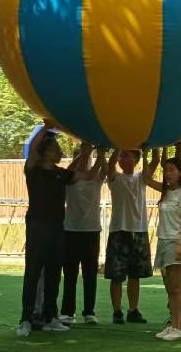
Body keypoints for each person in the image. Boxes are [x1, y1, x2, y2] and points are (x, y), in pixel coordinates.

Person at [17, 122, 89, 337]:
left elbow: (82, 174)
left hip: (58, 227)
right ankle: (26, 319)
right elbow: (33, 147)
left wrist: (87, 152)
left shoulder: (60, 173)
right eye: (56, 148)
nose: (60, 152)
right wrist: (45, 128)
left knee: (54, 273)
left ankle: (50, 317)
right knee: (33, 272)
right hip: (37, 227)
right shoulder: (33, 170)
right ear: (45, 152)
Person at [105, 148, 158, 325]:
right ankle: (117, 311)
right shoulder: (115, 178)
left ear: (136, 159)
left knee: (135, 275)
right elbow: (110, 164)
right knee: (117, 275)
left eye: (127, 155)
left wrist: (151, 148)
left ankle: (133, 310)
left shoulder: (142, 177)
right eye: (121, 156)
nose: (122, 158)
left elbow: (155, 161)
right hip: (119, 231)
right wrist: (118, 146)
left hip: (139, 231)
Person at [146, 155, 181, 341]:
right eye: (165, 170)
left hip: (175, 241)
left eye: (172, 170)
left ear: (180, 172)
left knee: (178, 288)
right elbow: (146, 179)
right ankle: (174, 325)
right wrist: (148, 154)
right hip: (163, 241)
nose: (167, 173)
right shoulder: (166, 191)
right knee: (169, 289)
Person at [60, 144, 107, 326]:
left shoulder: (96, 179)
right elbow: (68, 171)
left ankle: (89, 312)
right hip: (71, 231)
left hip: (91, 231)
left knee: (90, 274)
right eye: (80, 157)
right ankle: (67, 312)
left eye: (87, 157)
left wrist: (100, 153)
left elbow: (103, 168)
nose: (85, 160)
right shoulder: (70, 180)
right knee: (70, 274)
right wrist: (84, 153)